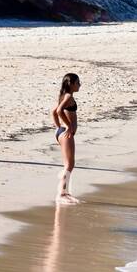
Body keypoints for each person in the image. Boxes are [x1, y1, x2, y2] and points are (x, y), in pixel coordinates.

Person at [51, 72, 80, 201]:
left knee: (68, 164)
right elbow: (58, 111)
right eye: (78, 83)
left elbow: (53, 111)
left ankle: (65, 191)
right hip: (66, 134)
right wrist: (68, 126)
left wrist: (58, 128)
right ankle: (62, 193)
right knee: (69, 164)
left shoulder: (64, 96)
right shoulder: (68, 96)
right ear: (71, 84)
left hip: (61, 133)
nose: (80, 85)